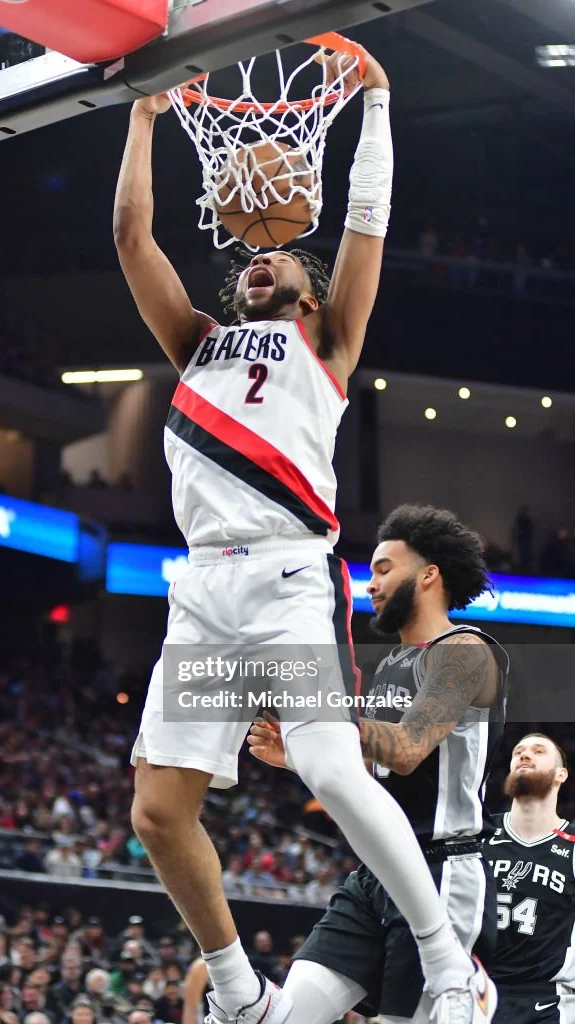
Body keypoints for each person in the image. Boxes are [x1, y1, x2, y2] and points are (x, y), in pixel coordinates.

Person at [115, 31, 494, 1024]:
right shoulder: (194, 339)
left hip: (285, 581)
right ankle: (239, 992)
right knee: (157, 812)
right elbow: (129, 237)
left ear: (310, 290)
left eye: (280, 256)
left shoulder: (326, 338)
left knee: (328, 761)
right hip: (202, 597)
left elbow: (365, 220)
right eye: (253, 255)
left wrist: (371, 105)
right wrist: (146, 115)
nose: (259, 261)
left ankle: (446, 960)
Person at [248, 504, 510, 1024]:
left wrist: (323, 721)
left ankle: (469, 981)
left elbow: (409, 750)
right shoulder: (389, 665)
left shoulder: (465, 650)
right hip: (375, 871)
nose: (371, 583)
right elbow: (374, 779)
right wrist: (303, 754)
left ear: (429, 574)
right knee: (288, 1017)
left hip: (441, 868)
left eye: (384, 568)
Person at [484, 733, 575, 1024]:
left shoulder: (572, 845)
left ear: (561, 774)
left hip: (547, 1001)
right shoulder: (477, 833)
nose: (525, 755)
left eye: (538, 751)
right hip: (475, 989)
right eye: (518, 751)